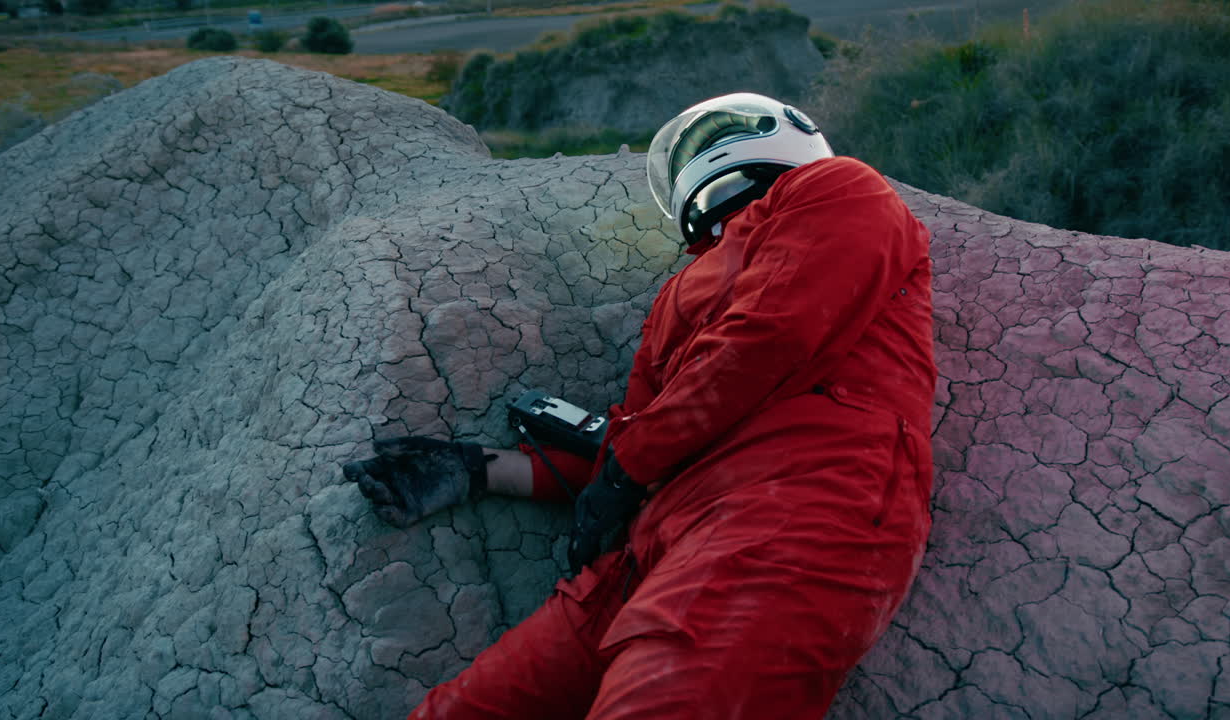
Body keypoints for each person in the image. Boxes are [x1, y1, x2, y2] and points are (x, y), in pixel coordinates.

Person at [342, 92, 936, 719]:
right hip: (647, 557)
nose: (704, 150)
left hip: (794, 511)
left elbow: (774, 337)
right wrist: (477, 468)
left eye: (720, 133)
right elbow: (634, 441)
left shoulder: (839, 188)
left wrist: (626, 467)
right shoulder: (676, 297)